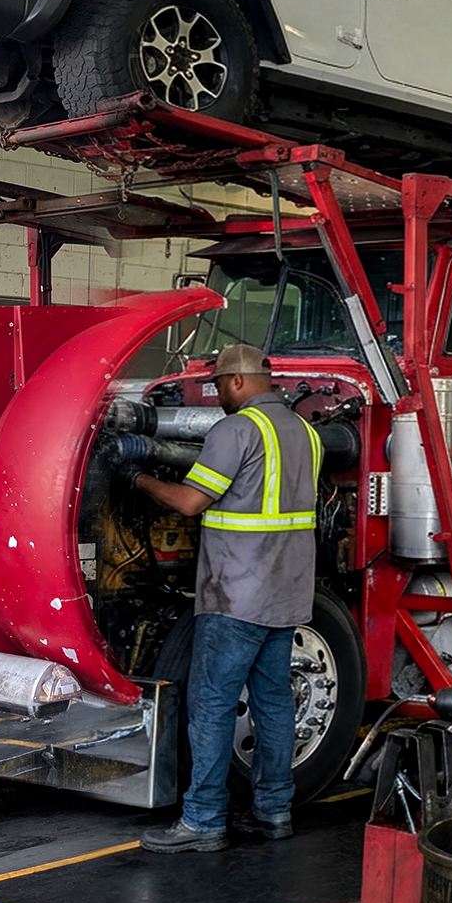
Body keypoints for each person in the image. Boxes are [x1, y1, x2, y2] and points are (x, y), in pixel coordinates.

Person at [129, 344, 323, 854]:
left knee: (211, 705)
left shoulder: (235, 430)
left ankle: (203, 819)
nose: (217, 395)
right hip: (286, 593)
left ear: (237, 380)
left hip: (235, 593)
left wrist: (139, 478)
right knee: (274, 703)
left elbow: (190, 502)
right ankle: (274, 810)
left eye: (217, 385)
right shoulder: (306, 433)